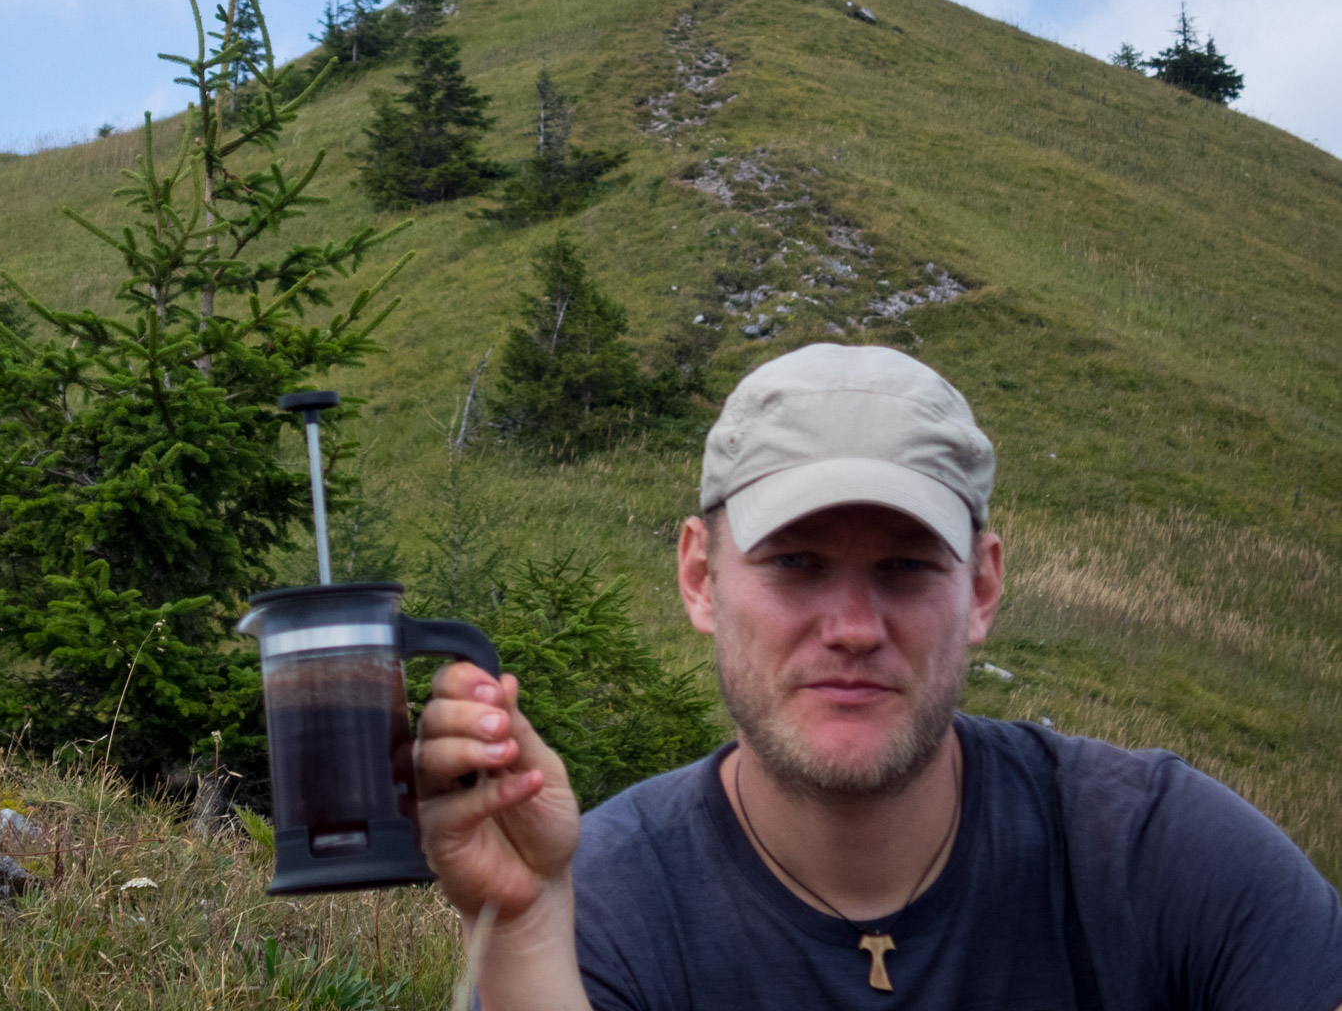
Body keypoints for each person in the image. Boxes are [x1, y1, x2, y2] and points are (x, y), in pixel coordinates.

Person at [415, 343, 1342, 1010]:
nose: (854, 629)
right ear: (701, 576)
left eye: (905, 567)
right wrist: (528, 934)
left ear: (981, 588)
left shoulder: (1164, 859)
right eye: (796, 564)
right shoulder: (605, 906)